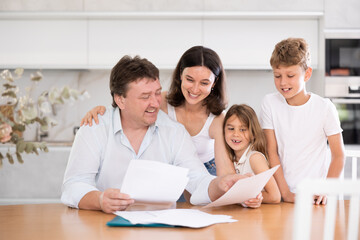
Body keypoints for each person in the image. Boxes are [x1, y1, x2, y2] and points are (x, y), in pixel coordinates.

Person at [61, 55, 262, 213]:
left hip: (160, 228)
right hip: (103, 226)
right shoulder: (95, 128)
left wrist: (222, 184)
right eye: (145, 96)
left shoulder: (174, 132)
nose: (156, 103)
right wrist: (100, 200)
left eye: (157, 93)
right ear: (120, 100)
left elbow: (197, 181)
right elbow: (73, 185)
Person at [80, 46, 235, 177]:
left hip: (206, 172)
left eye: (204, 83)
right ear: (180, 75)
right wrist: (100, 111)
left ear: (214, 83)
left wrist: (230, 187)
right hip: (170, 170)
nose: (195, 89)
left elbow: (225, 171)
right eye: (189, 79)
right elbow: (127, 104)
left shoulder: (217, 119)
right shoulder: (160, 101)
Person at [260, 38, 345, 205]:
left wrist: (325, 189)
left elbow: (338, 155)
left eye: (290, 75)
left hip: (315, 198)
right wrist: (286, 193)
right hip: (282, 195)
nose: (283, 82)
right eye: (277, 76)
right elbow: (272, 152)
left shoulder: (324, 108)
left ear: (307, 74)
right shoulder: (269, 103)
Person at [223, 104, 280, 204]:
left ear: (253, 134)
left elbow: (275, 196)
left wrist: (251, 198)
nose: (236, 134)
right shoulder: (228, 158)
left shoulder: (255, 158)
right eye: (231, 129)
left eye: (243, 130)